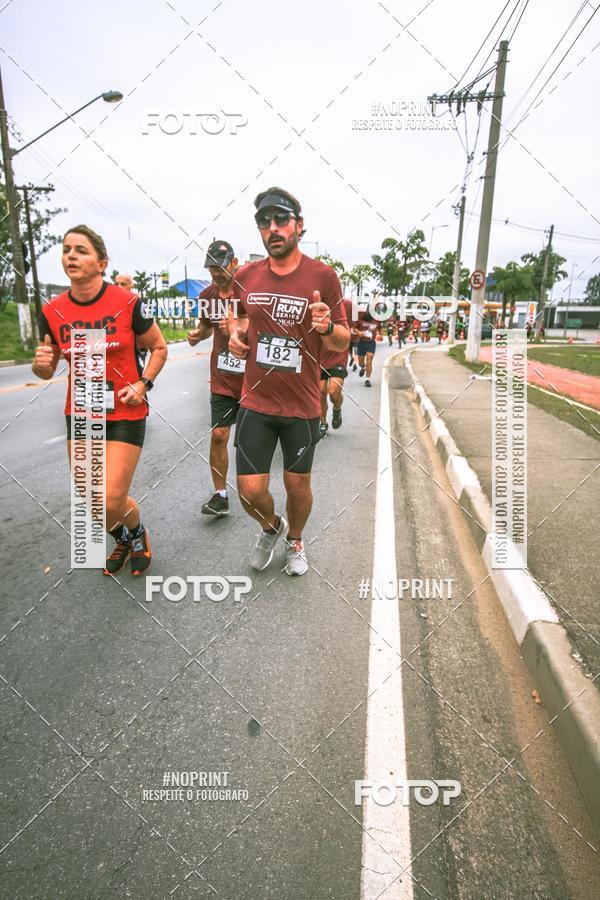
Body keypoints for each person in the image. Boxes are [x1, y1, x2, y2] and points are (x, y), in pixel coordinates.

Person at [32, 225, 167, 576]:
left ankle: (137, 533)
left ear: (102, 262)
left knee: (110, 498)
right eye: (66, 249)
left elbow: (158, 347)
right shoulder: (52, 311)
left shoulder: (127, 303)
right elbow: (46, 368)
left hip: (125, 409)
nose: (71, 256)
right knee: (91, 502)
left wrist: (143, 383)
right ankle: (123, 537)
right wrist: (41, 366)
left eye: (81, 250)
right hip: (82, 412)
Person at [228, 187, 349, 576]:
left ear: (299, 225)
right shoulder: (246, 275)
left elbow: (343, 338)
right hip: (255, 402)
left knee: (297, 487)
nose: (273, 228)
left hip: (300, 406)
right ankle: (271, 527)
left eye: (281, 220)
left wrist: (326, 325)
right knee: (248, 490)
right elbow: (241, 318)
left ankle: (295, 539)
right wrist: (236, 335)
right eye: (264, 222)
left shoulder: (323, 277)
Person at [187, 241, 242, 516]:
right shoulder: (208, 296)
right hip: (222, 376)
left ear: (234, 262)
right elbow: (206, 327)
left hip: (253, 378)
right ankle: (220, 495)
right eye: (212, 268)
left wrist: (239, 326)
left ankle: (254, 490)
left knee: (249, 441)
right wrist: (199, 335)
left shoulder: (250, 291)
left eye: (222, 266)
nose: (217, 273)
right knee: (219, 435)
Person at [319, 298, 354, 438]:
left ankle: (337, 407)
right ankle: (323, 423)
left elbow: (352, 326)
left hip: (338, 354)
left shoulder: (347, 305)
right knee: (321, 392)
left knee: (333, 391)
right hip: (320, 356)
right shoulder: (313, 302)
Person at [356, 309, 379, 387]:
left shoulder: (377, 320)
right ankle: (363, 367)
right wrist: (359, 332)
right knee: (361, 362)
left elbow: (379, 328)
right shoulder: (360, 320)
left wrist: (381, 334)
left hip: (371, 343)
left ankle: (367, 379)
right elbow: (354, 328)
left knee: (369, 360)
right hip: (361, 343)